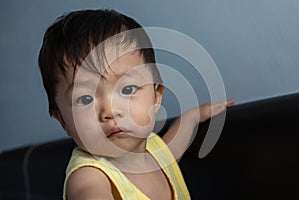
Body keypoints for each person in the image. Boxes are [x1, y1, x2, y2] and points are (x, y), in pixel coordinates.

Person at [38, 9, 234, 200]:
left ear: (156, 97)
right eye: (85, 99)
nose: (110, 112)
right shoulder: (89, 178)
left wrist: (192, 118)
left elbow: (170, 153)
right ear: (62, 120)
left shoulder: (155, 151)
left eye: (127, 89)